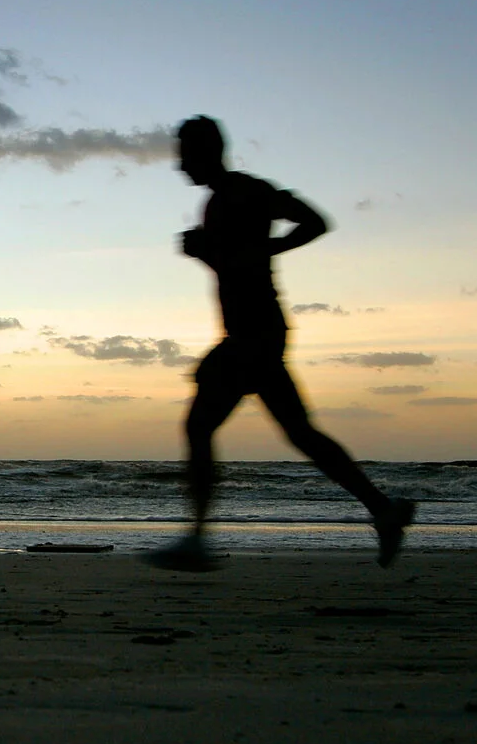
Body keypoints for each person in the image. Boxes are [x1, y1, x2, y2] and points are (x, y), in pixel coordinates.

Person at [147, 116, 414, 571]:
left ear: (208, 152)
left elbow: (313, 223)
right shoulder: (219, 201)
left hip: (255, 330)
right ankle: (382, 509)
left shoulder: (244, 191)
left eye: (185, 153)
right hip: (256, 330)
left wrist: (258, 251)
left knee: (201, 424)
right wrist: (209, 253)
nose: (179, 164)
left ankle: (196, 538)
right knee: (299, 432)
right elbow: (237, 262)